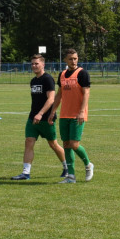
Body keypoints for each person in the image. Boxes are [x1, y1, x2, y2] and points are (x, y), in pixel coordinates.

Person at [12, 54, 67, 180]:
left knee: (53, 144)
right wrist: (35, 114)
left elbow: (51, 99)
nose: (34, 66)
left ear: (43, 64)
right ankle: (26, 173)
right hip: (33, 118)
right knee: (29, 142)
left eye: (36, 63)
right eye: (32, 63)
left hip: (46, 119)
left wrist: (41, 113)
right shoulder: (33, 81)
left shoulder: (47, 79)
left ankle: (66, 167)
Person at [48, 49, 93, 183]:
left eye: (75, 58)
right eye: (70, 59)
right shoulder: (62, 75)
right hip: (64, 115)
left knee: (74, 144)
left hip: (77, 115)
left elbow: (86, 94)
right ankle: (71, 176)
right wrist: (52, 111)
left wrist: (81, 111)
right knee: (66, 144)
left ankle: (88, 164)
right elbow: (59, 95)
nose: (73, 61)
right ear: (65, 60)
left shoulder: (83, 74)